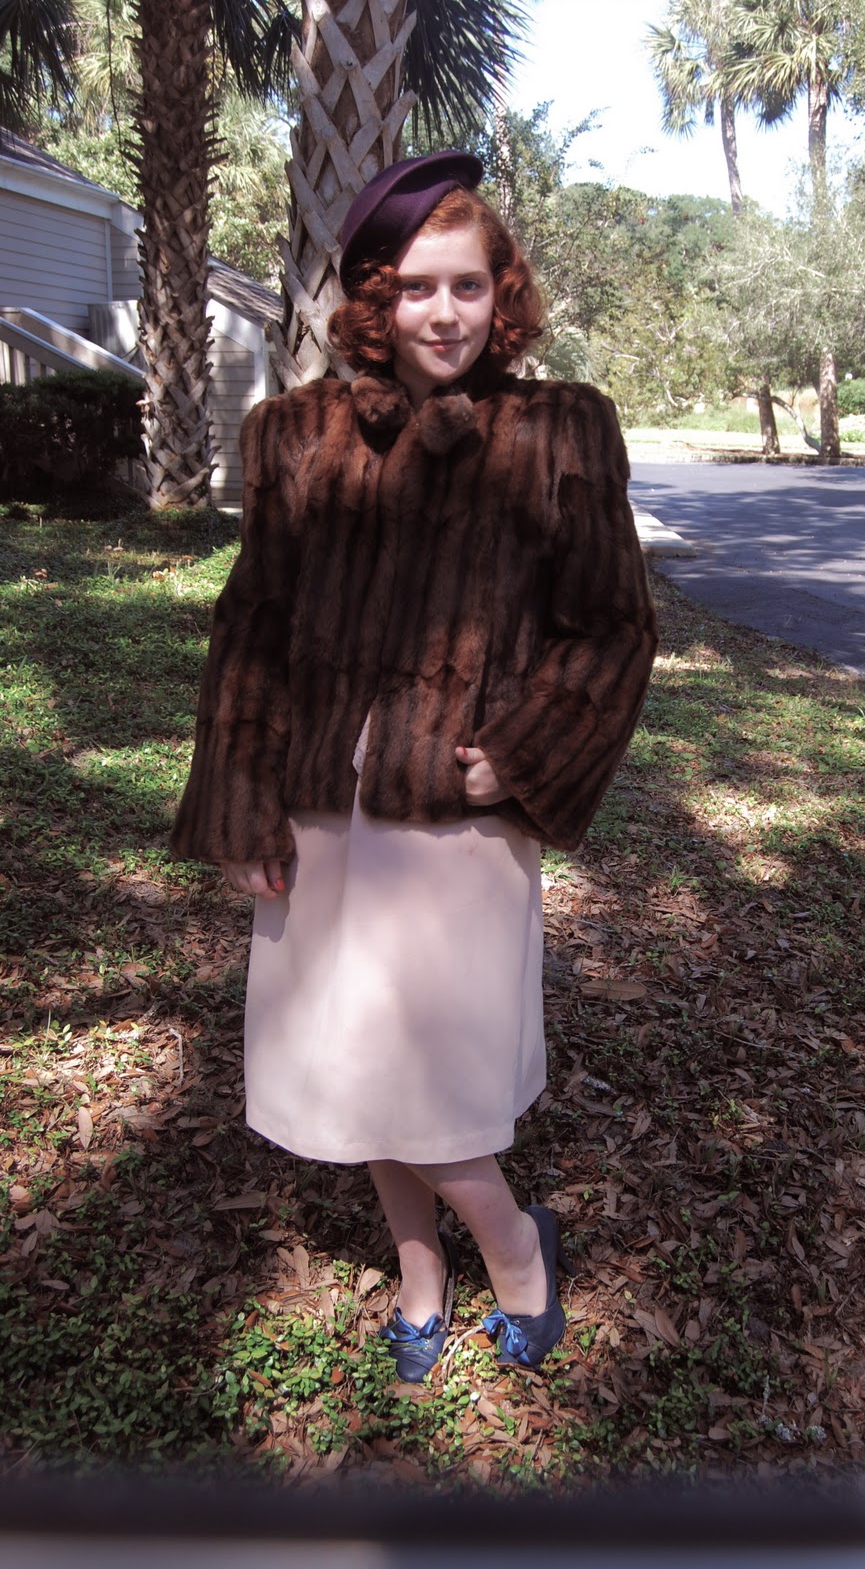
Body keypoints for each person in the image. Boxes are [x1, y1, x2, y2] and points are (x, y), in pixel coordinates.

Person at [171, 150, 657, 1381]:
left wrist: (529, 755)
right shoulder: (293, 435)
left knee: (430, 1088)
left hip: (460, 825)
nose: (445, 313)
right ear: (375, 300)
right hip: (319, 816)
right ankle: (421, 1271)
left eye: (469, 286)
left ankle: (518, 1252)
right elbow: (252, 629)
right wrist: (244, 807)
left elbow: (613, 626)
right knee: (354, 1070)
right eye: (417, 288)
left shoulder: (560, 431)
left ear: (504, 295)